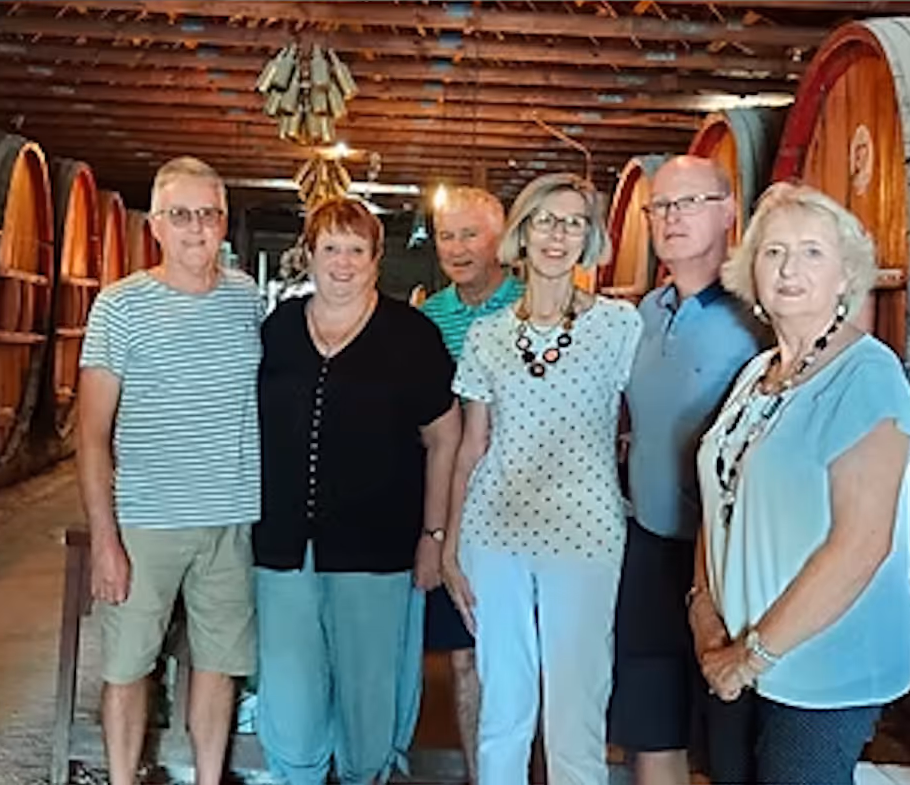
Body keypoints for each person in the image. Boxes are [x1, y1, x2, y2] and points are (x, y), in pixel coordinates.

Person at [692, 182, 910, 784]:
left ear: (846, 276)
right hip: (735, 649)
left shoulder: (867, 376)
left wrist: (751, 656)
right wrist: (703, 610)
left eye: (812, 252)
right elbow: (721, 497)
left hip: (823, 665)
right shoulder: (757, 374)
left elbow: (861, 545)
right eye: (773, 252)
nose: (789, 268)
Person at [442, 173, 642, 785]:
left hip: (586, 532)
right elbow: (472, 446)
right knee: (504, 706)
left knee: (577, 707)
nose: (558, 234)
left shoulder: (620, 325)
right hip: (495, 532)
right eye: (545, 221)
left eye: (573, 222)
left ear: (590, 238)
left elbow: (645, 424)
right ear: (522, 234)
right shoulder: (488, 336)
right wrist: (449, 546)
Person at [253, 197, 462, 785]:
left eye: (355, 250)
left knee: (370, 687)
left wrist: (434, 535)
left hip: (378, 545)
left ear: (375, 260)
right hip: (282, 546)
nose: (341, 263)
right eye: (330, 249)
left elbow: (445, 437)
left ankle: (365, 775)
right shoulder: (279, 329)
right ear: (309, 255)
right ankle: (296, 775)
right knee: (289, 684)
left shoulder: (410, 334)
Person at [76, 156, 263, 785]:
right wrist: (105, 539)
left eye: (208, 214)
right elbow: (92, 434)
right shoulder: (120, 307)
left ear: (224, 223)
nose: (196, 228)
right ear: (155, 225)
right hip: (145, 523)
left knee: (219, 664)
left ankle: (208, 778)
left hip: (230, 521)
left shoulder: (246, 300)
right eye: (180, 215)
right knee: (128, 667)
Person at [611, 156, 762, 783]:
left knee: (730, 742)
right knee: (652, 727)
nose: (672, 218)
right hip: (649, 545)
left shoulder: (759, 314)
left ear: (729, 212)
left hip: (728, 562)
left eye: (690, 202)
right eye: (661, 206)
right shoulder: (646, 313)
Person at [416, 184, 523, 782]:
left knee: (525, 660)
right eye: (446, 236)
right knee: (463, 657)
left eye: (469, 235)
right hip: (459, 505)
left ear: (500, 240)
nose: (456, 249)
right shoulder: (429, 319)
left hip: (526, 505)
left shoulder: (534, 304)